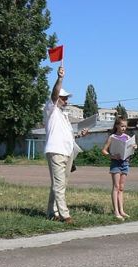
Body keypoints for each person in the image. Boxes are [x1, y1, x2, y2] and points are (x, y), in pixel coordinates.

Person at [44, 66, 88, 224]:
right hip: (55, 151)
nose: (67, 100)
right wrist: (60, 78)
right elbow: (54, 95)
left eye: (67, 98)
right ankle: (64, 215)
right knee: (59, 184)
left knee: (58, 184)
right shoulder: (51, 109)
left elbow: (66, 135)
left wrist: (78, 135)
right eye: (64, 98)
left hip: (67, 152)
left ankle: (51, 211)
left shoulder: (64, 116)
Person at [101, 116, 137, 220]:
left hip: (125, 163)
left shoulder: (127, 137)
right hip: (115, 163)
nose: (124, 128)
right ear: (117, 125)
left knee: (121, 188)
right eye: (122, 126)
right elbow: (104, 150)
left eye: (125, 126)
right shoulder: (112, 137)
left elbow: (132, 148)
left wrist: (134, 147)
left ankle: (122, 210)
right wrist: (111, 156)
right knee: (116, 186)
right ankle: (116, 211)